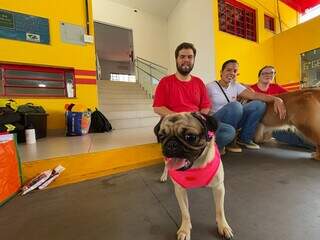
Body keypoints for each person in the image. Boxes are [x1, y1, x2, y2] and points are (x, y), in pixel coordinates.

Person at [153, 42, 236, 153]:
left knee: (229, 131)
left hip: (195, 122)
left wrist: (199, 119)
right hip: (175, 124)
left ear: (193, 60)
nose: (186, 60)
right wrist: (181, 118)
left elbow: (206, 106)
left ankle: (202, 150)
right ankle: (200, 149)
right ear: (176, 59)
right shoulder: (165, 82)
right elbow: (158, 107)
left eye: (190, 57)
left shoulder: (198, 82)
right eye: (182, 56)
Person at [206, 59, 286, 152]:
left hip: (234, 119)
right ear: (221, 72)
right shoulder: (210, 87)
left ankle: (244, 139)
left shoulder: (235, 85)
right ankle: (230, 141)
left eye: (235, 71)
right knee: (235, 106)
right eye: (228, 70)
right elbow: (202, 105)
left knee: (259, 104)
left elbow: (255, 95)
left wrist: (275, 99)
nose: (232, 73)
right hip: (217, 121)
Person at [251, 65, 315, 150]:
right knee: (281, 133)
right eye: (265, 73)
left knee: (300, 128)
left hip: (278, 121)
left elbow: (293, 98)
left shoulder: (276, 87)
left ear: (274, 76)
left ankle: (314, 145)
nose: (268, 75)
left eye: (271, 73)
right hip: (259, 123)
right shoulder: (251, 89)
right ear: (259, 76)